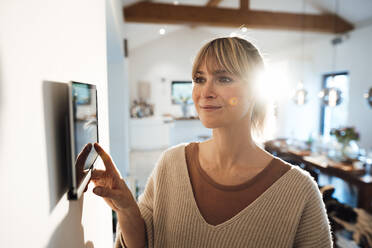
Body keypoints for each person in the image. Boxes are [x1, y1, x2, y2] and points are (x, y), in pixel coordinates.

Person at [90, 37, 334, 248]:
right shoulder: (171, 164)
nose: (204, 91)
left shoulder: (299, 192)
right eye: (199, 78)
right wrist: (126, 208)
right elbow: (141, 242)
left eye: (224, 79)